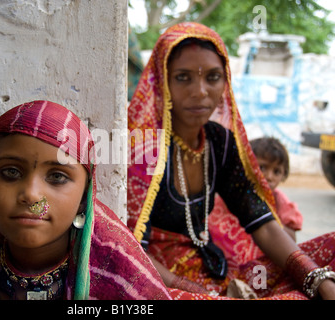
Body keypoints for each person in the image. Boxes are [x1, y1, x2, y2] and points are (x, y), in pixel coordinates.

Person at [127, 22, 335, 299]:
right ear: (161, 81)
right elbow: (131, 250)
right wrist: (195, 292)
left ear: (225, 83)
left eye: (212, 77)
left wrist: (314, 278)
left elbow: (259, 220)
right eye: (183, 77)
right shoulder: (142, 149)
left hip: (213, 270)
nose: (200, 91)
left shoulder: (219, 142)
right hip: (154, 279)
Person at [0, 100, 172, 300]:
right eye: (11, 172)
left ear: (85, 198)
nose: (31, 195)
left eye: (57, 176)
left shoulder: (119, 279)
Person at [209, 137, 303, 265]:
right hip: (223, 264)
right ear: (245, 164)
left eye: (276, 171)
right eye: (262, 168)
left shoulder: (279, 202)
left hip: (261, 269)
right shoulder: (228, 194)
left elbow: (291, 239)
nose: (269, 177)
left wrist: (269, 221)